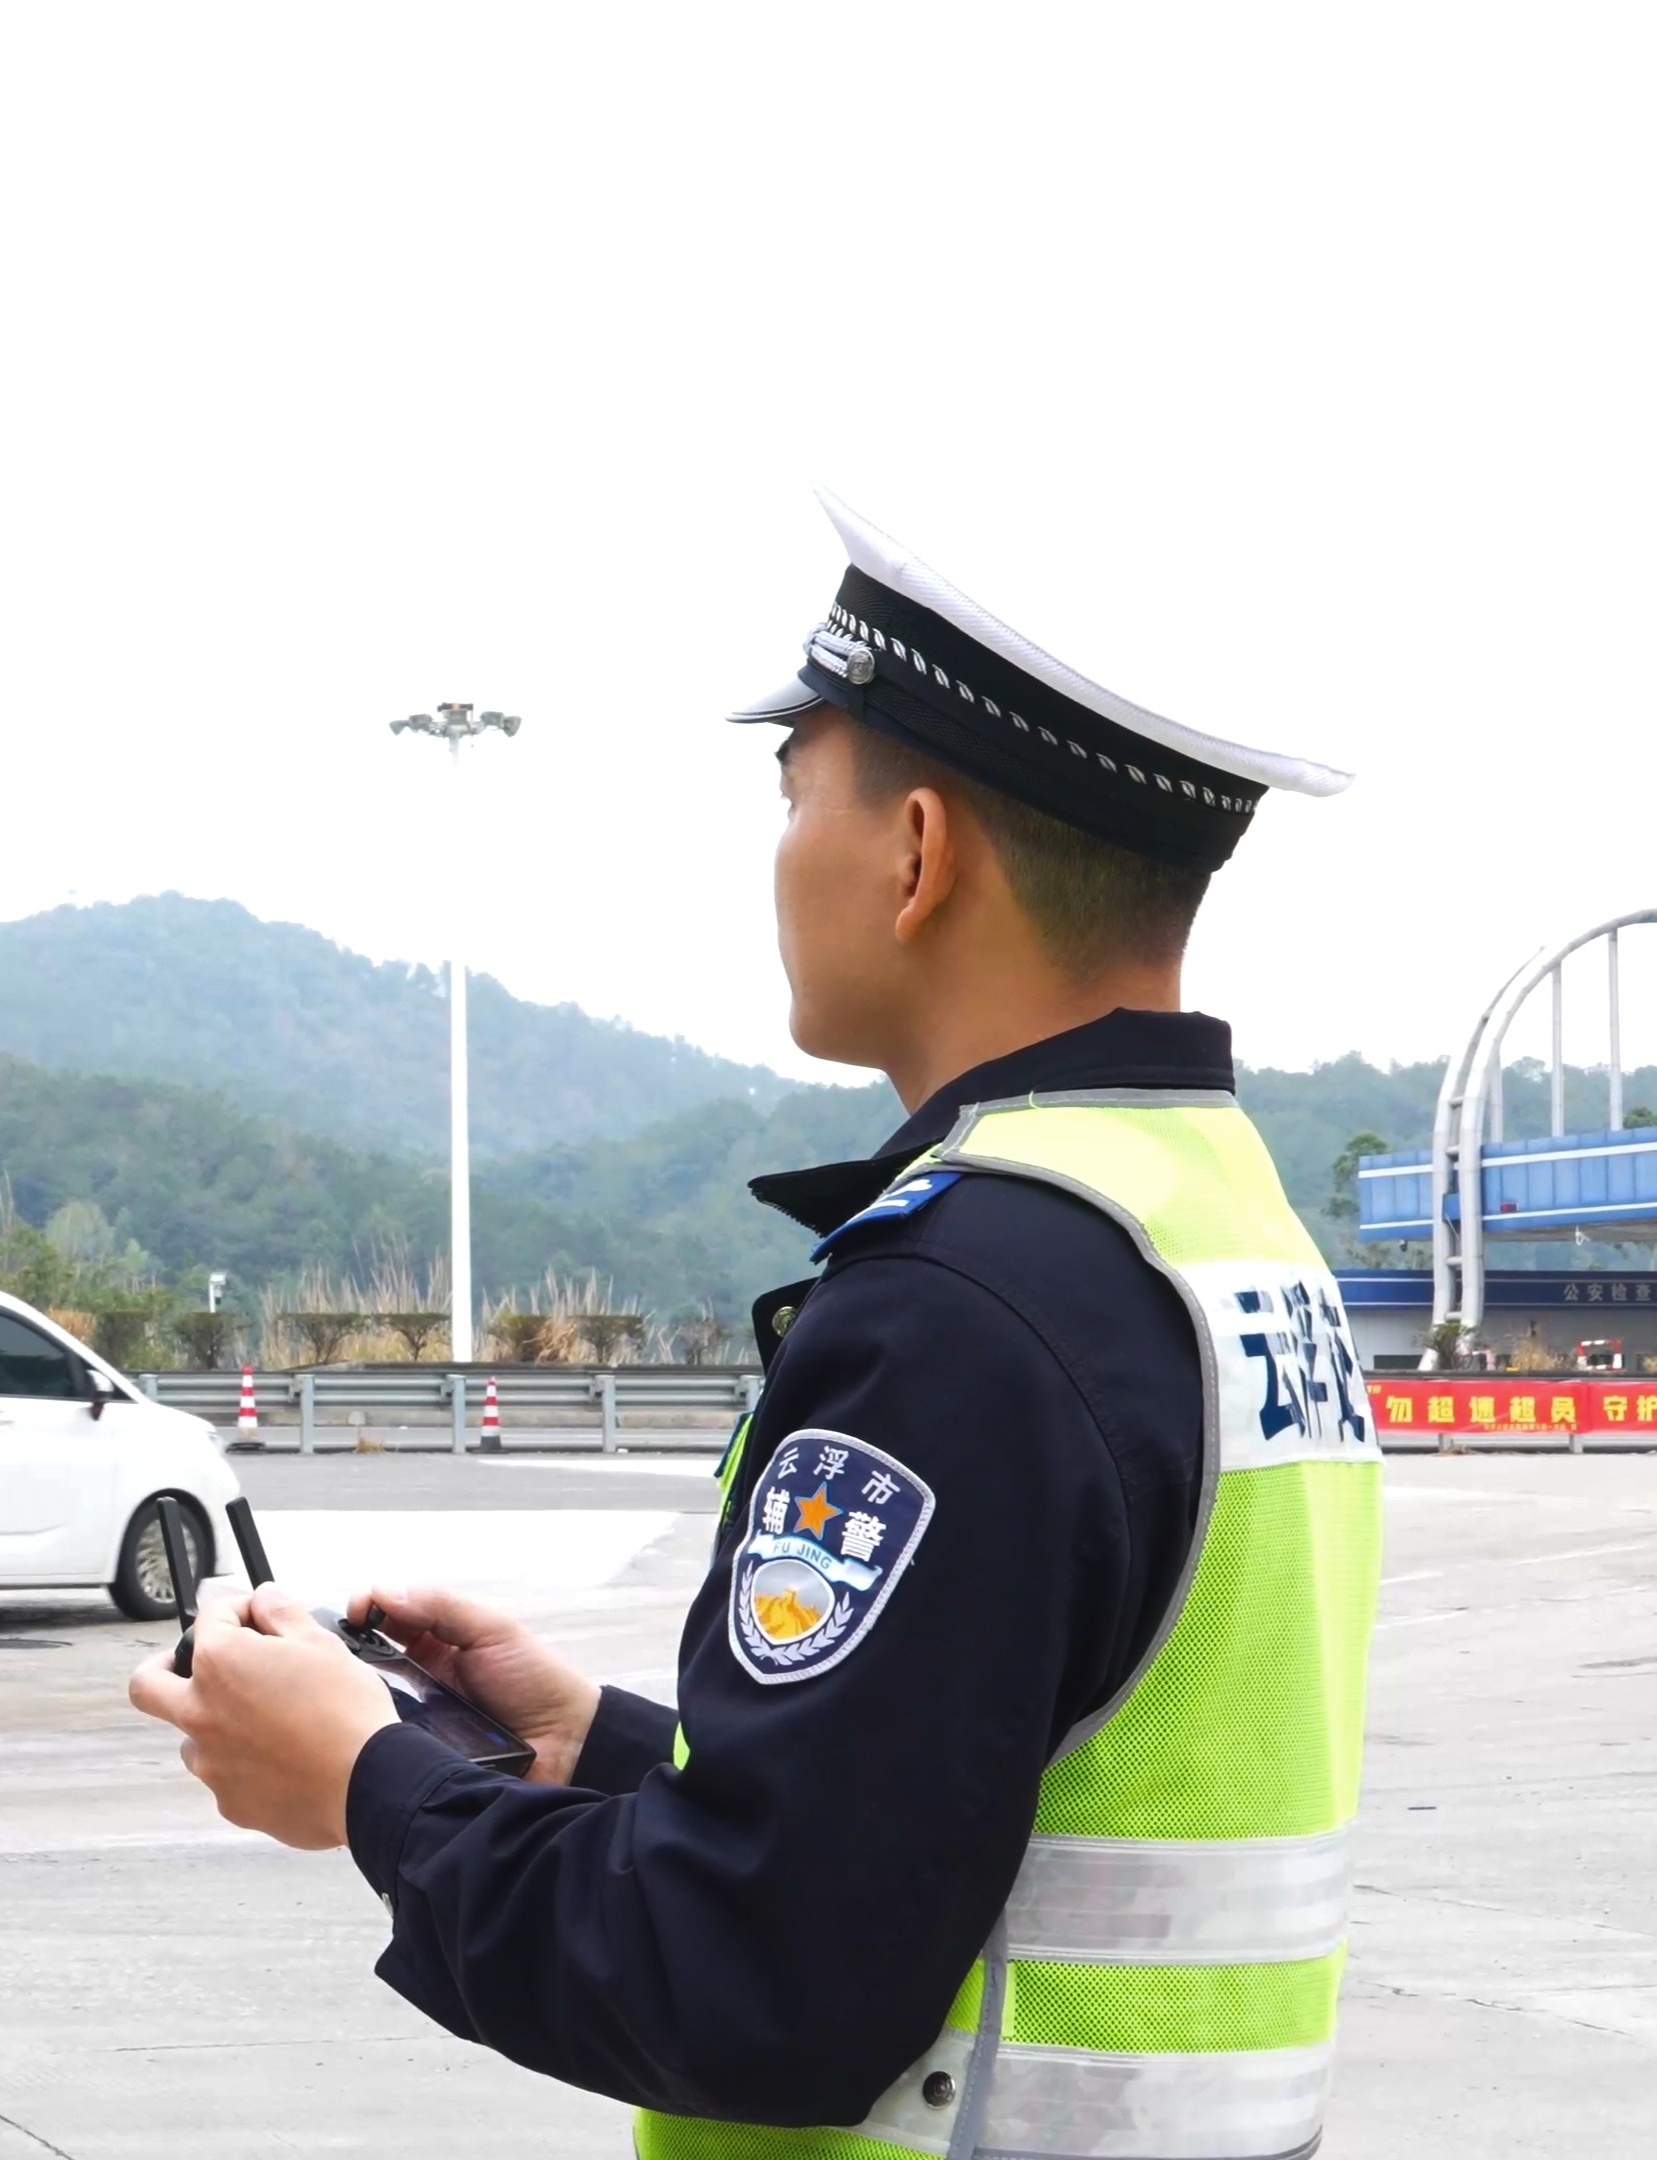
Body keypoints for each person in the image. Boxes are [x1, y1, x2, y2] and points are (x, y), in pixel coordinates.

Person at [131, 493, 1384, 2159]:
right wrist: (597, 1747)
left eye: (797, 795)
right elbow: (979, 1802)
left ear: (918, 854)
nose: (782, 851)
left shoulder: (959, 1302)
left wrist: (372, 1782)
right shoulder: (1219, 1224)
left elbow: (753, 1983)